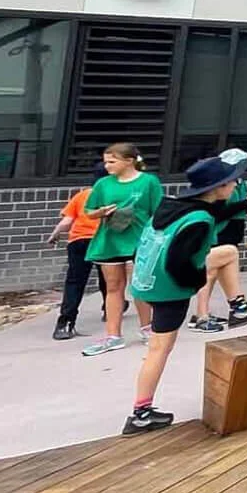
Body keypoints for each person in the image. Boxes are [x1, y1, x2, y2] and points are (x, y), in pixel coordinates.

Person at [121, 149, 247, 434]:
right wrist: (195, 282)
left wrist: (246, 205)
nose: (234, 185)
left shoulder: (174, 206)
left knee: (228, 252)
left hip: (148, 282)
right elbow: (178, 262)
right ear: (218, 187)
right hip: (170, 288)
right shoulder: (198, 221)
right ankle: (140, 413)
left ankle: (239, 306)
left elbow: (217, 211)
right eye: (231, 182)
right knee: (159, 349)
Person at [82, 143, 161, 357]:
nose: (107, 166)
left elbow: (158, 210)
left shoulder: (149, 182)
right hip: (111, 238)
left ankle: (147, 328)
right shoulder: (103, 184)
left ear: (129, 161)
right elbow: (88, 211)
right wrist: (101, 212)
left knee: (140, 284)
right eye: (106, 161)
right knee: (113, 286)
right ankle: (113, 335)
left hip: (140, 238)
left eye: (112, 161)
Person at [188, 173, 247, 331]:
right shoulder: (216, 190)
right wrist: (244, 203)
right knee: (210, 271)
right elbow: (218, 213)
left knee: (216, 269)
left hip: (230, 231)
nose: (233, 185)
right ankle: (233, 307)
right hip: (219, 233)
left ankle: (206, 312)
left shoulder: (237, 183)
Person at [46, 174, 108, 340]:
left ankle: (65, 323)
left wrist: (55, 234)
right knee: (108, 278)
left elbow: (67, 222)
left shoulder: (82, 195)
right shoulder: (114, 195)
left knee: (75, 281)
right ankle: (110, 309)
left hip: (79, 240)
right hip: (103, 240)